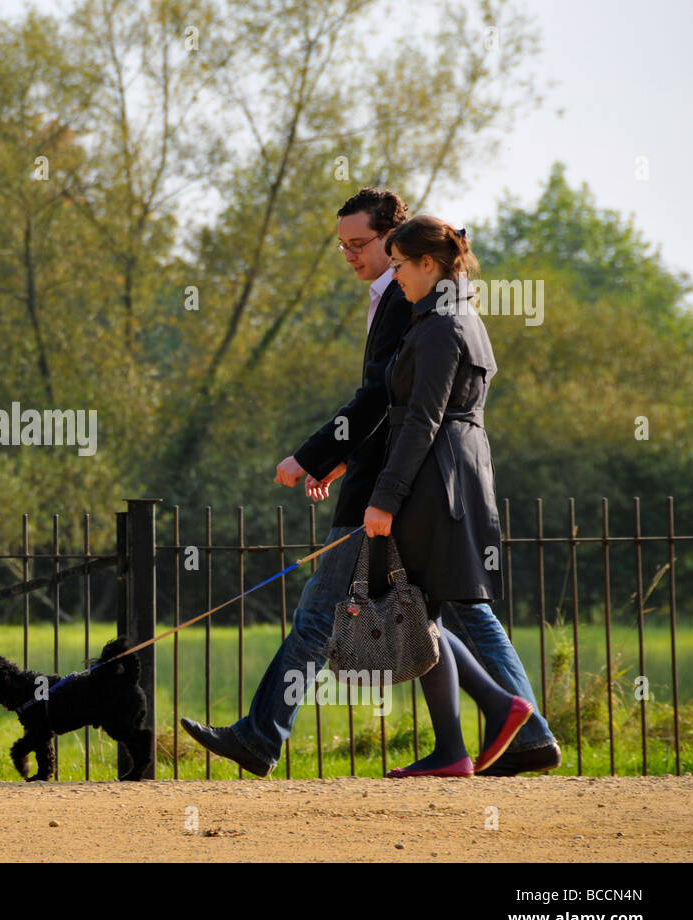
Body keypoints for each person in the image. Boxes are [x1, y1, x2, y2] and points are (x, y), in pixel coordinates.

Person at [180, 190, 559, 776]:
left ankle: (262, 736)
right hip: (409, 481)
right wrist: (339, 462)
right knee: (434, 611)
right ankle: (501, 733)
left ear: (400, 246)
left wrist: (326, 462)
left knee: (339, 610)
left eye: (360, 245)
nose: (350, 256)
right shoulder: (425, 305)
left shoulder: (422, 313)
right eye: (342, 246)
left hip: (405, 487)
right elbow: (398, 405)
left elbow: (396, 405)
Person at [362, 214, 542, 775]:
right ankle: (458, 745)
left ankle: (499, 716)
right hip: (453, 473)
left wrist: (385, 497)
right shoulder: (455, 317)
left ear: (427, 264)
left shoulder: (443, 325)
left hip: (436, 481)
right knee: (419, 609)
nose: (395, 278)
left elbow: (423, 418)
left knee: (420, 606)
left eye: (399, 266)